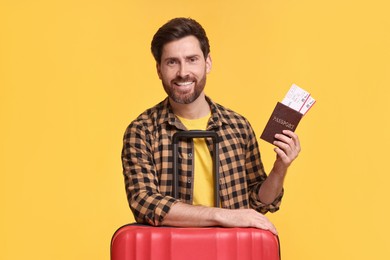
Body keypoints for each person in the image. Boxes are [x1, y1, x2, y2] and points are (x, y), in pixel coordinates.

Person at [121, 17, 301, 235]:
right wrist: (221, 215)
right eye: (172, 62)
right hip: (170, 253)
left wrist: (280, 167)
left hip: (231, 253)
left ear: (207, 63)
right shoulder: (141, 131)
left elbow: (259, 204)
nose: (183, 72)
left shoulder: (238, 127)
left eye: (192, 59)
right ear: (159, 69)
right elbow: (145, 203)